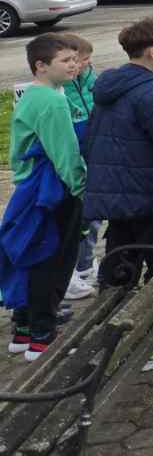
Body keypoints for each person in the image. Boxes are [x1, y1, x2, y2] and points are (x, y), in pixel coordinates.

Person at [83, 16, 153, 370]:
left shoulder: (110, 87)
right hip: (152, 194)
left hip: (119, 195)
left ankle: (106, 339)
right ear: (152, 51)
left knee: (120, 266)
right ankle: (150, 344)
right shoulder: (151, 89)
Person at [5, 35, 87, 361]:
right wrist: (81, 189)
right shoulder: (53, 101)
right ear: (40, 65)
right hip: (52, 190)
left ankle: (24, 330)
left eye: (75, 59)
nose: (74, 65)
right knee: (53, 260)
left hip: (29, 188)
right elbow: (65, 154)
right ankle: (43, 336)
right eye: (65, 60)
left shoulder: (34, 94)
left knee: (31, 254)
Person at [57, 34, 99, 300]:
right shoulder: (59, 91)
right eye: (82, 59)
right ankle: (68, 273)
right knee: (73, 221)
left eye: (85, 59)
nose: (85, 64)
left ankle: (85, 264)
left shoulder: (90, 78)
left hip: (92, 158)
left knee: (92, 217)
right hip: (73, 163)